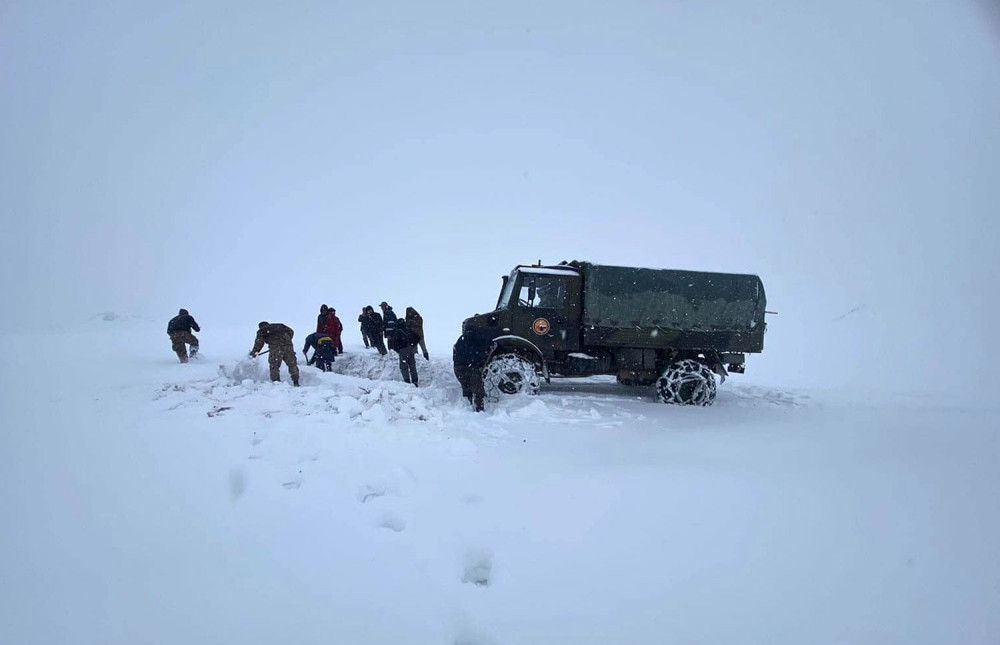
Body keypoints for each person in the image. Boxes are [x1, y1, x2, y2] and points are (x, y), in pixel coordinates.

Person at [453, 328, 494, 412]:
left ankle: (468, 405)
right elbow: (489, 345)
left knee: (466, 386)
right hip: (471, 367)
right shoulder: (479, 337)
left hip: (458, 368)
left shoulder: (461, 338)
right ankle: (479, 410)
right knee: (477, 389)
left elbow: (455, 351)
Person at [250, 321, 300, 386]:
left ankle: (276, 383)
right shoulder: (280, 326)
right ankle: (296, 382)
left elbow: (259, 343)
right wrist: (285, 341)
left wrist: (254, 352)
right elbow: (291, 332)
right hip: (288, 346)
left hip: (276, 349)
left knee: (274, 365)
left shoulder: (262, 330)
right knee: (292, 364)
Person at [392, 317, 420, 386]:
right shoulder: (409, 329)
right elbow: (418, 337)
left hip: (402, 350)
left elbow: (394, 343)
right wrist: (412, 344)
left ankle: (407, 382)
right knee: (412, 365)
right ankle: (415, 381)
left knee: (403, 367)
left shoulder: (398, 331)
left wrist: (398, 349)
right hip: (410, 349)